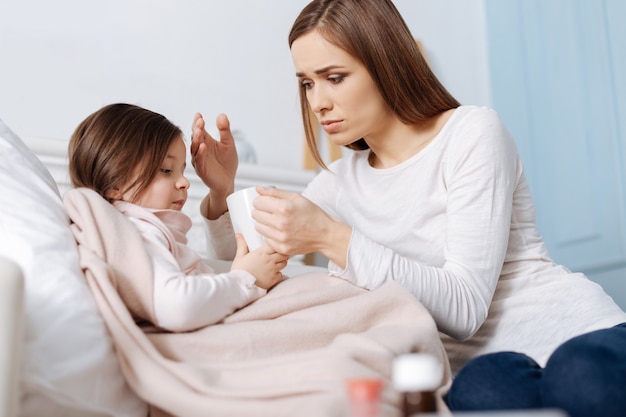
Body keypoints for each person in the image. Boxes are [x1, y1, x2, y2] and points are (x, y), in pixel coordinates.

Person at [196, 1, 626, 416]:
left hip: (575, 332)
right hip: (484, 370)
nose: (317, 101)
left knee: (579, 378)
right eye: (307, 82)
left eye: (334, 77)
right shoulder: (339, 184)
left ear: (385, 64)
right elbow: (241, 272)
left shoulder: (472, 134)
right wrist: (222, 195)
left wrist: (331, 236)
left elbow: (463, 309)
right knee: (479, 392)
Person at [68, 103, 288, 332]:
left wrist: (222, 191)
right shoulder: (138, 231)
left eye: (183, 170)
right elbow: (177, 307)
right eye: (165, 170)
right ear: (115, 183)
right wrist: (246, 279)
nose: (184, 182)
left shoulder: (147, 231)